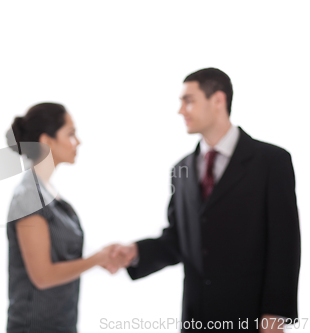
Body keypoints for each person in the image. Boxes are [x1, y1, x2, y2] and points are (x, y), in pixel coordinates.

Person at [111, 68, 300, 332]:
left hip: (251, 318)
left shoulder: (271, 161)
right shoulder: (181, 170)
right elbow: (178, 240)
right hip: (196, 319)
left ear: (218, 100)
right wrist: (136, 252)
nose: (181, 110)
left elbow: (285, 243)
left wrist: (276, 315)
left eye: (188, 100)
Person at [6, 102, 123, 333]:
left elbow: (63, 255)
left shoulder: (48, 193)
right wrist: (97, 260)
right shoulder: (29, 198)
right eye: (70, 134)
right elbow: (42, 276)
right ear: (47, 141)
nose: (77, 142)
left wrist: (103, 256)